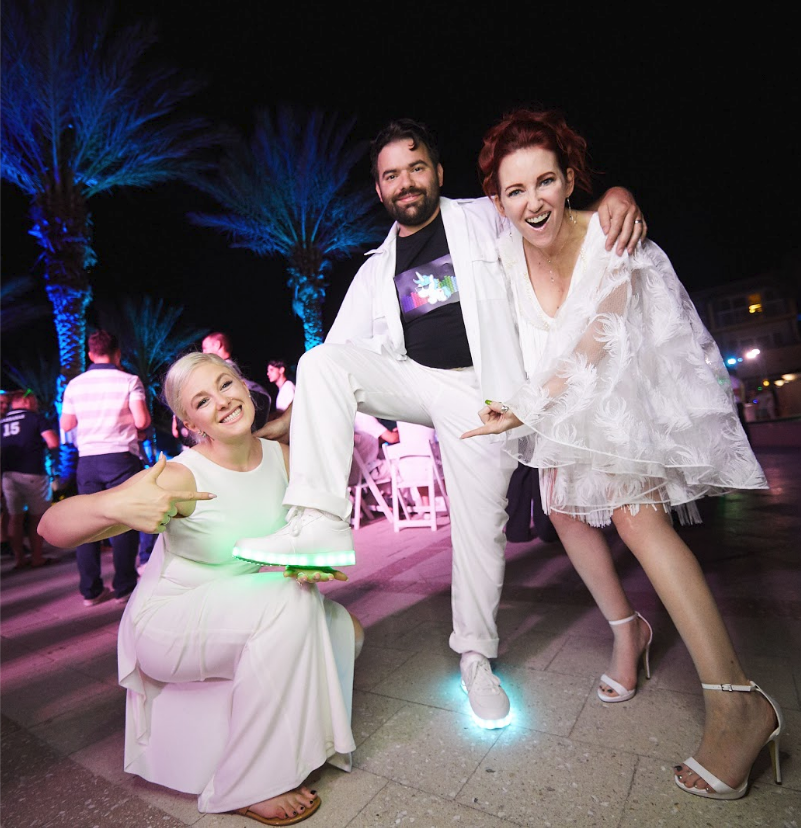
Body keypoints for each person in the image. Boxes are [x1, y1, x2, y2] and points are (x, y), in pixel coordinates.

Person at [239, 118, 644, 727]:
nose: (406, 182)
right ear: (380, 189)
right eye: (392, 175)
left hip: (484, 393)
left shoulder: (485, 216)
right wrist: (284, 422)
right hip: (416, 377)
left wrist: (617, 195)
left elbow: (556, 215)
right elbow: (338, 353)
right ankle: (317, 522)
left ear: (437, 173)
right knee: (319, 360)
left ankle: (476, 658)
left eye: (416, 167)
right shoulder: (376, 268)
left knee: (479, 529)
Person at [462, 107, 782, 799]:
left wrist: (525, 407)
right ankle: (626, 628)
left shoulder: (612, 237)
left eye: (545, 181)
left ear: (568, 177)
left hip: (619, 383)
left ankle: (737, 701)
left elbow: (597, 340)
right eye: (515, 190)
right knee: (561, 509)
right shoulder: (498, 250)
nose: (532, 202)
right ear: (497, 201)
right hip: (555, 397)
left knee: (636, 518)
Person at [38, 352, 362, 825]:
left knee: (346, 631)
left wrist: (307, 565)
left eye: (225, 385)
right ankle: (249, 783)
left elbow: (302, 532)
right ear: (189, 423)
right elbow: (50, 526)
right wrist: (116, 507)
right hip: (170, 622)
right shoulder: (180, 475)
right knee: (287, 603)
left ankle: (305, 743)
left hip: (242, 605)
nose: (223, 402)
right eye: (202, 401)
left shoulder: (284, 458)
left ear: (245, 386)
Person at [60, 330, 151, 606]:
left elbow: (66, 424)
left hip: (88, 460)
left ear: (90, 354)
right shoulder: (129, 380)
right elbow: (142, 421)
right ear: (117, 353)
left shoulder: (75, 385)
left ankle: (91, 591)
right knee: (122, 521)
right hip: (120, 457)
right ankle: (124, 587)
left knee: (88, 524)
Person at [0, 389, 59, 569]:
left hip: (8, 475)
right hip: (32, 472)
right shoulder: (35, 418)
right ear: (26, 401)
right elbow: (53, 442)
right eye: (34, 401)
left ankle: (19, 559)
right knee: (37, 517)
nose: (36, 405)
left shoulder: (2, 421)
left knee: (15, 517)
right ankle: (37, 557)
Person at [202, 332, 272, 430]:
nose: (203, 353)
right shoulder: (232, 370)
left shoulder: (223, 371)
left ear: (217, 345)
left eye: (205, 348)